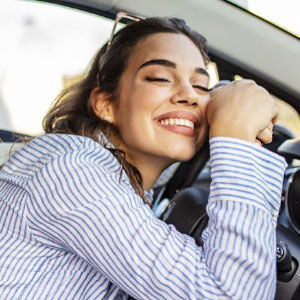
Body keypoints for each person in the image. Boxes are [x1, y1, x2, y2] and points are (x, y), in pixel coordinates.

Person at [0, 15, 286, 300]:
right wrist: (235, 136)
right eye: (160, 78)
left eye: (201, 86)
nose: (190, 95)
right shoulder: (71, 168)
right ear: (105, 104)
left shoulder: (132, 188)